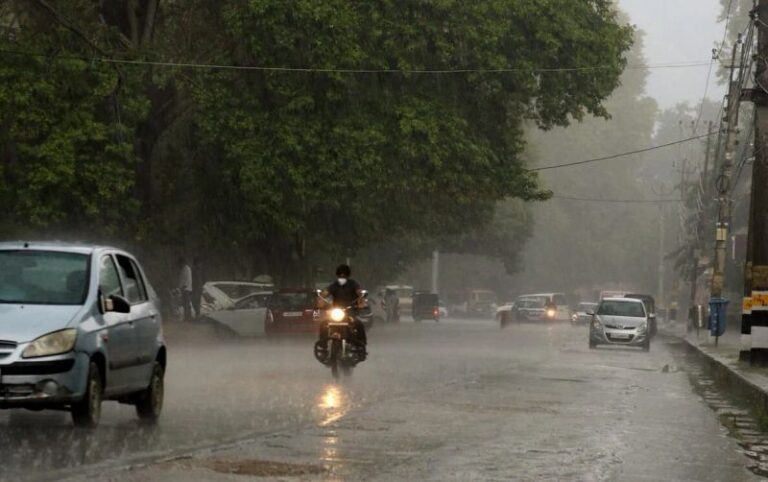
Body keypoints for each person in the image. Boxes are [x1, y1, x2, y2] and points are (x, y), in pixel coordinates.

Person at [317, 264, 368, 359]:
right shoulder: (334, 285)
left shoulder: (353, 284)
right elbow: (325, 293)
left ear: (348, 275)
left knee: (359, 324)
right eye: (340, 275)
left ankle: (361, 347)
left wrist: (361, 303)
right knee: (323, 324)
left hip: (350, 311)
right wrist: (320, 300)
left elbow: (360, 294)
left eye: (344, 275)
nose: (342, 277)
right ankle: (323, 348)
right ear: (337, 275)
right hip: (336, 312)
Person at [177, 257, 193, 322]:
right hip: (186, 288)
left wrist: (182, 288)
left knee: (186, 303)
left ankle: (188, 317)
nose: (179, 265)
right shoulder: (186, 268)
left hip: (185, 289)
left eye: (180, 263)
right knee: (186, 303)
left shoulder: (185, 269)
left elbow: (185, 279)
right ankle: (188, 317)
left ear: (182, 262)